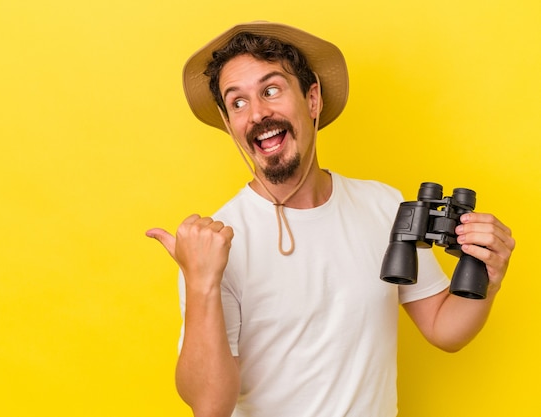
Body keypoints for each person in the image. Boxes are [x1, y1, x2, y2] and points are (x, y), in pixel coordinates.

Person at [146, 21, 515, 417]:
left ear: (313, 99)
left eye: (271, 90)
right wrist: (201, 282)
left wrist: (489, 276)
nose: (257, 113)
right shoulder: (215, 242)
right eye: (237, 102)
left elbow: (444, 328)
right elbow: (209, 406)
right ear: (230, 125)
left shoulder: (383, 205)